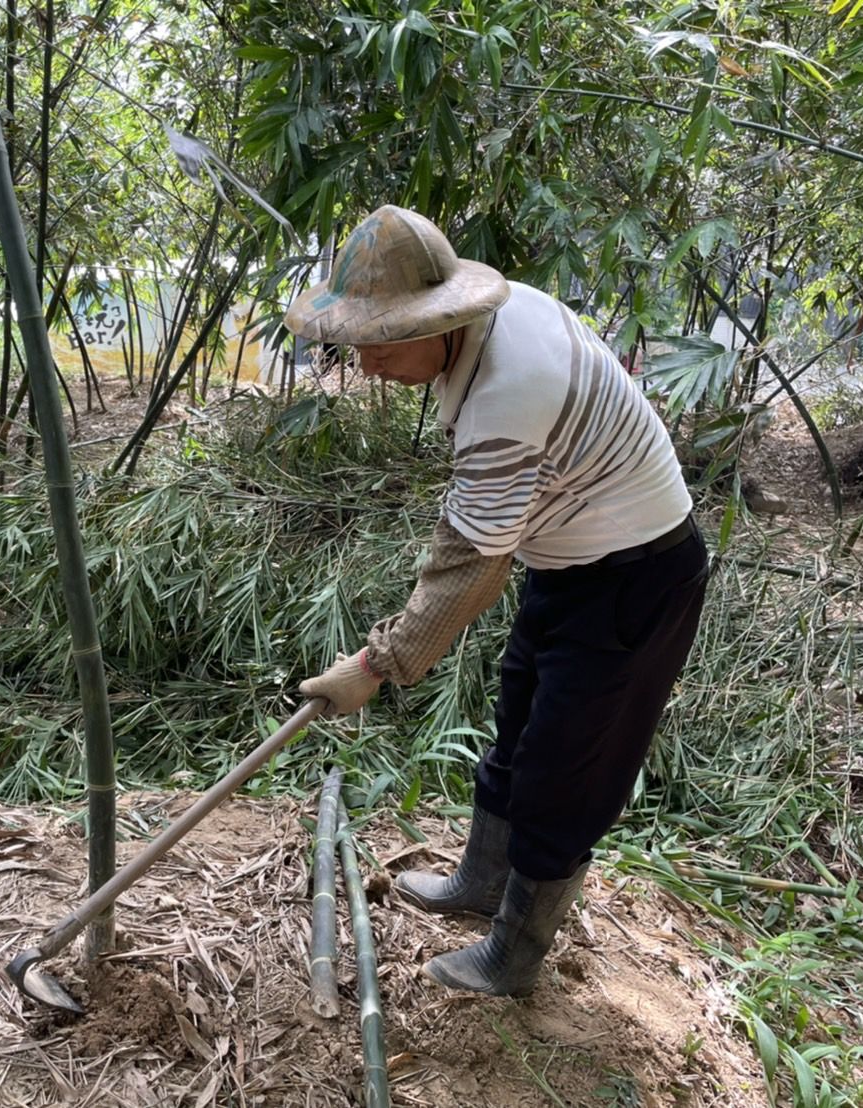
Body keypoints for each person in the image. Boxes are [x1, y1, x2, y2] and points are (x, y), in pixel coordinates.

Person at [289, 205, 708, 998]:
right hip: (571, 561)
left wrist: (377, 664)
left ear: (442, 321)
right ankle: (481, 886)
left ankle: (514, 955)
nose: (367, 364)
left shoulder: (509, 392)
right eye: (357, 341)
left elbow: (470, 567)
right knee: (518, 723)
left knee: (564, 769)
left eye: (382, 341)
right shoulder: (497, 324)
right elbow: (483, 536)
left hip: (635, 576)